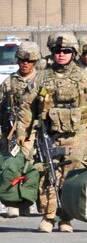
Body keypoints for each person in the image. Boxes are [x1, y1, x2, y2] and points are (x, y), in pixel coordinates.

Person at [13, 33, 87, 232]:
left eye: (66, 51)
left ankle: (66, 217)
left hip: (77, 136)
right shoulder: (42, 77)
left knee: (70, 175)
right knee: (48, 173)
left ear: (73, 53)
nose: (61, 55)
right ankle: (49, 214)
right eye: (57, 51)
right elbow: (26, 106)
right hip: (50, 134)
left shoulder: (84, 77)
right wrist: (21, 132)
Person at [1, 41, 41, 218]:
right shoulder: (9, 82)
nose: (25, 63)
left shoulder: (42, 80)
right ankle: (13, 202)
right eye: (22, 60)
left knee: (34, 165)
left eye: (30, 60)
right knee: (13, 165)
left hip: (36, 130)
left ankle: (30, 201)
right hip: (13, 130)